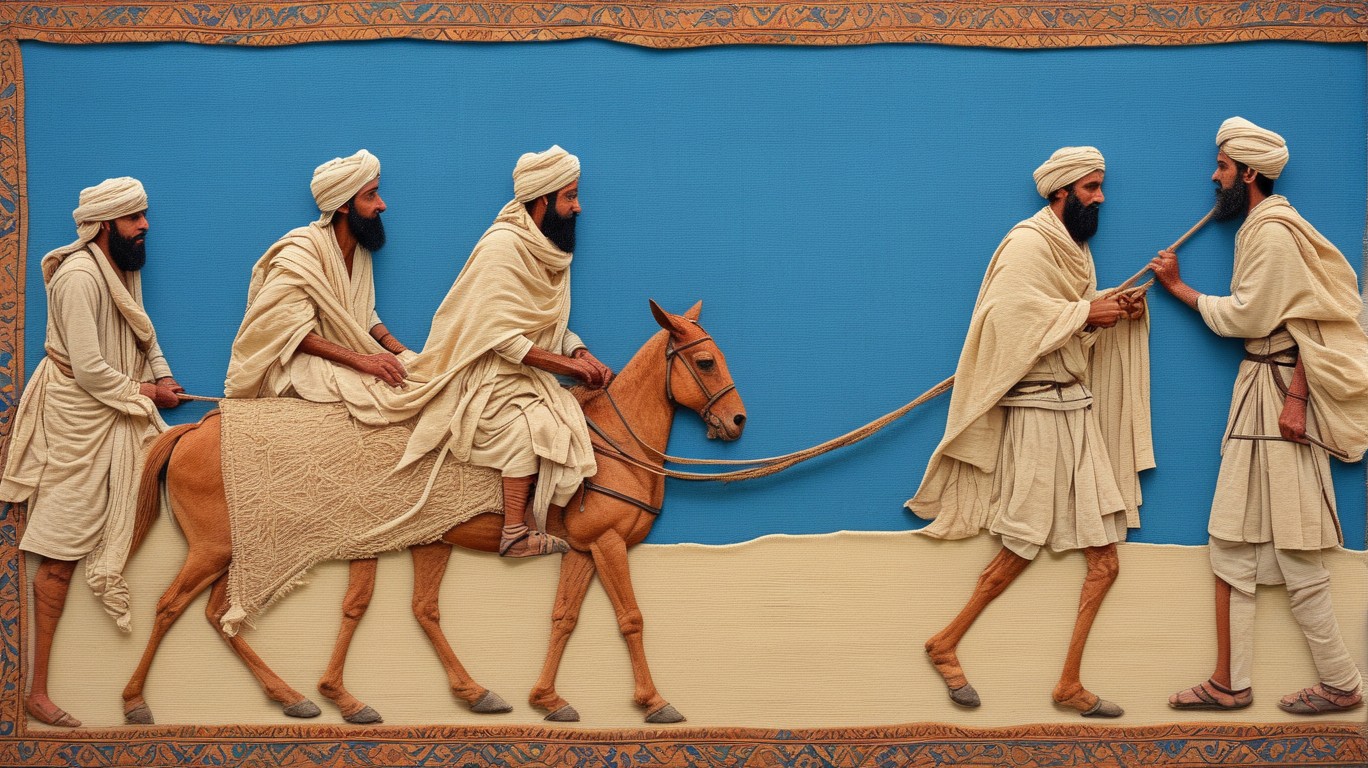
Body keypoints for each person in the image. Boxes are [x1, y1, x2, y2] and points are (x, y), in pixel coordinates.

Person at [907, 147, 1152, 718]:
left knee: (1106, 560)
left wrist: (1112, 313)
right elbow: (1008, 321)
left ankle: (1067, 684)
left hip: (1077, 412)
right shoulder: (1026, 244)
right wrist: (1084, 313)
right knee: (1019, 546)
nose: (1101, 198)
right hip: (1038, 415)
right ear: (1061, 191)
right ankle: (945, 644)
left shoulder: (1076, 252)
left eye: (1100, 187)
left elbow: (1066, 334)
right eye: (1091, 188)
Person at [1155, 117, 1367, 715]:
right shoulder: (1262, 228)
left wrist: (1178, 288)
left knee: (1297, 547)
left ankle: (1342, 683)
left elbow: (1259, 319)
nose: (1213, 175)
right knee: (1231, 543)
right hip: (1258, 391)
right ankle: (1229, 682)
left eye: (1221, 167)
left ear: (1248, 173)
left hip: (1277, 397)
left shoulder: (1273, 232)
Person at [0, 177, 183, 727]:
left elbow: (141, 331)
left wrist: (163, 374)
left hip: (113, 405)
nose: (145, 226)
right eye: (134, 219)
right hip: (76, 420)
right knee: (58, 554)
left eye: (143, 215)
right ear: (105, 226)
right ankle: (37, 692)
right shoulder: (79, 278)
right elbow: (89, 369)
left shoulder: (119, 266)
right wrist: (149, 394)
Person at [398, 145, 610, 558]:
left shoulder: (549, 252)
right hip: (485, 375)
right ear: (543, 200)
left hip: (525, 373)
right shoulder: (502, 248)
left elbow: (548, 325)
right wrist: (568, 367)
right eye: (570, 197)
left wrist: (580, 353)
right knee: (532, 428)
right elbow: (503, 338)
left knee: (561, 415)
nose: (578, 207)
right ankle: (513, 532)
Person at [225, 149, 413, 414]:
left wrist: (399, 350)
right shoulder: (301, 250)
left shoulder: (360, 252)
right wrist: (362, 361)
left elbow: (362, 313)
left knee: (414, 372)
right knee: (375, 393)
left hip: (350, 359)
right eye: (370, 196)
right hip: (298, 365)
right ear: (344, 206)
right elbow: (286, 328)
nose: (381, 205)